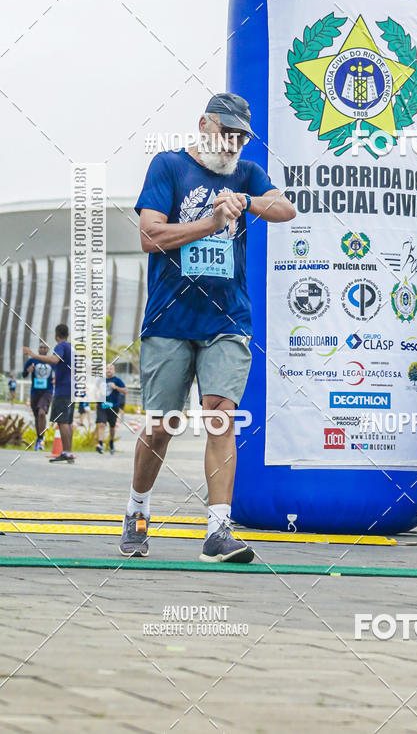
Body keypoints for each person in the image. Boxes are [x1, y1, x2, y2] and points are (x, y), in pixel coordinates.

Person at [119, 92, 295, 559]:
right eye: (226, 132)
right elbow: (150, 236)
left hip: (227, 317)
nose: (234, 143)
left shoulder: (246, 174)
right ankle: (137, 510)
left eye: (241, 136)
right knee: (162, 426)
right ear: (204, 124)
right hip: (169, 318)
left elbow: (285, 209)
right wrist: (212, 220)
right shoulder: (169, 166)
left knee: (220, 416)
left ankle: (218, 531)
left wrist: (246, 200)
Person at [24, 323, 74, 463]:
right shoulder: (71, 347)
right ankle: (69, 452)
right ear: (67, 334)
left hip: (62, 390)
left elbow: (54, 360)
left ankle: (66, 452)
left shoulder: (61, 346)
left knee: (62, 421)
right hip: (71, 389)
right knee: (68, 422)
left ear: (56, 335)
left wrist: (34, 355)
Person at [23, 343, 54, 450]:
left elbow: (59, 373)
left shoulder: (51, 361)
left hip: (47, 391)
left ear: (47, 350)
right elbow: (23, 374)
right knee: (37, 416)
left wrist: (55, 379)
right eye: (41, 347)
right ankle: (39, 438)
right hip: (34, 392)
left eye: (45, 347)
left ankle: (41, 439)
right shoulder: (32, 361)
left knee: (41, 413)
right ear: (38, 349)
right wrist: (28, 371)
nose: (43, 349)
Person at [95, 364, 126, 455]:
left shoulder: (117, 380)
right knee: (101, 424)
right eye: (107, 368)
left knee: (112, 426)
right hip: (102, 405)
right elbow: (96, 389)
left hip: (113, 406)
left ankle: (111, 442)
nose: (109, 370)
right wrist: (97, 393)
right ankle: (100, 444)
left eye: (111, 369)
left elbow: (125, 390)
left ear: (114, 371)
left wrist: (115, 387)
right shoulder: (100, 380)